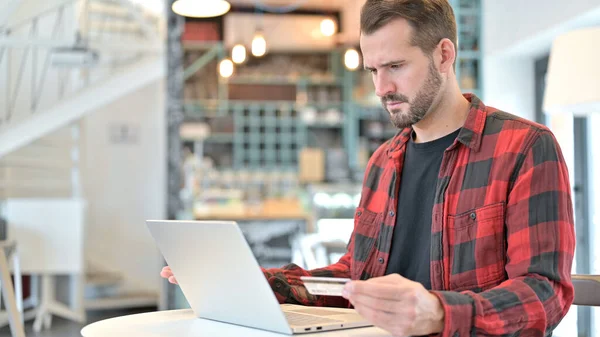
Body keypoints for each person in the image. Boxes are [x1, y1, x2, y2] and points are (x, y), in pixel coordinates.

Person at [162, 0, 576, 335]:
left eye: (395, 66)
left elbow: (546, 294)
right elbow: (355, 279)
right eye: (373, 71)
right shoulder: (383, 161)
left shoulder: (524, 148)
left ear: (444, 54)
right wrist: (256, 285)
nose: (381, 88)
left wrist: (437, 312)